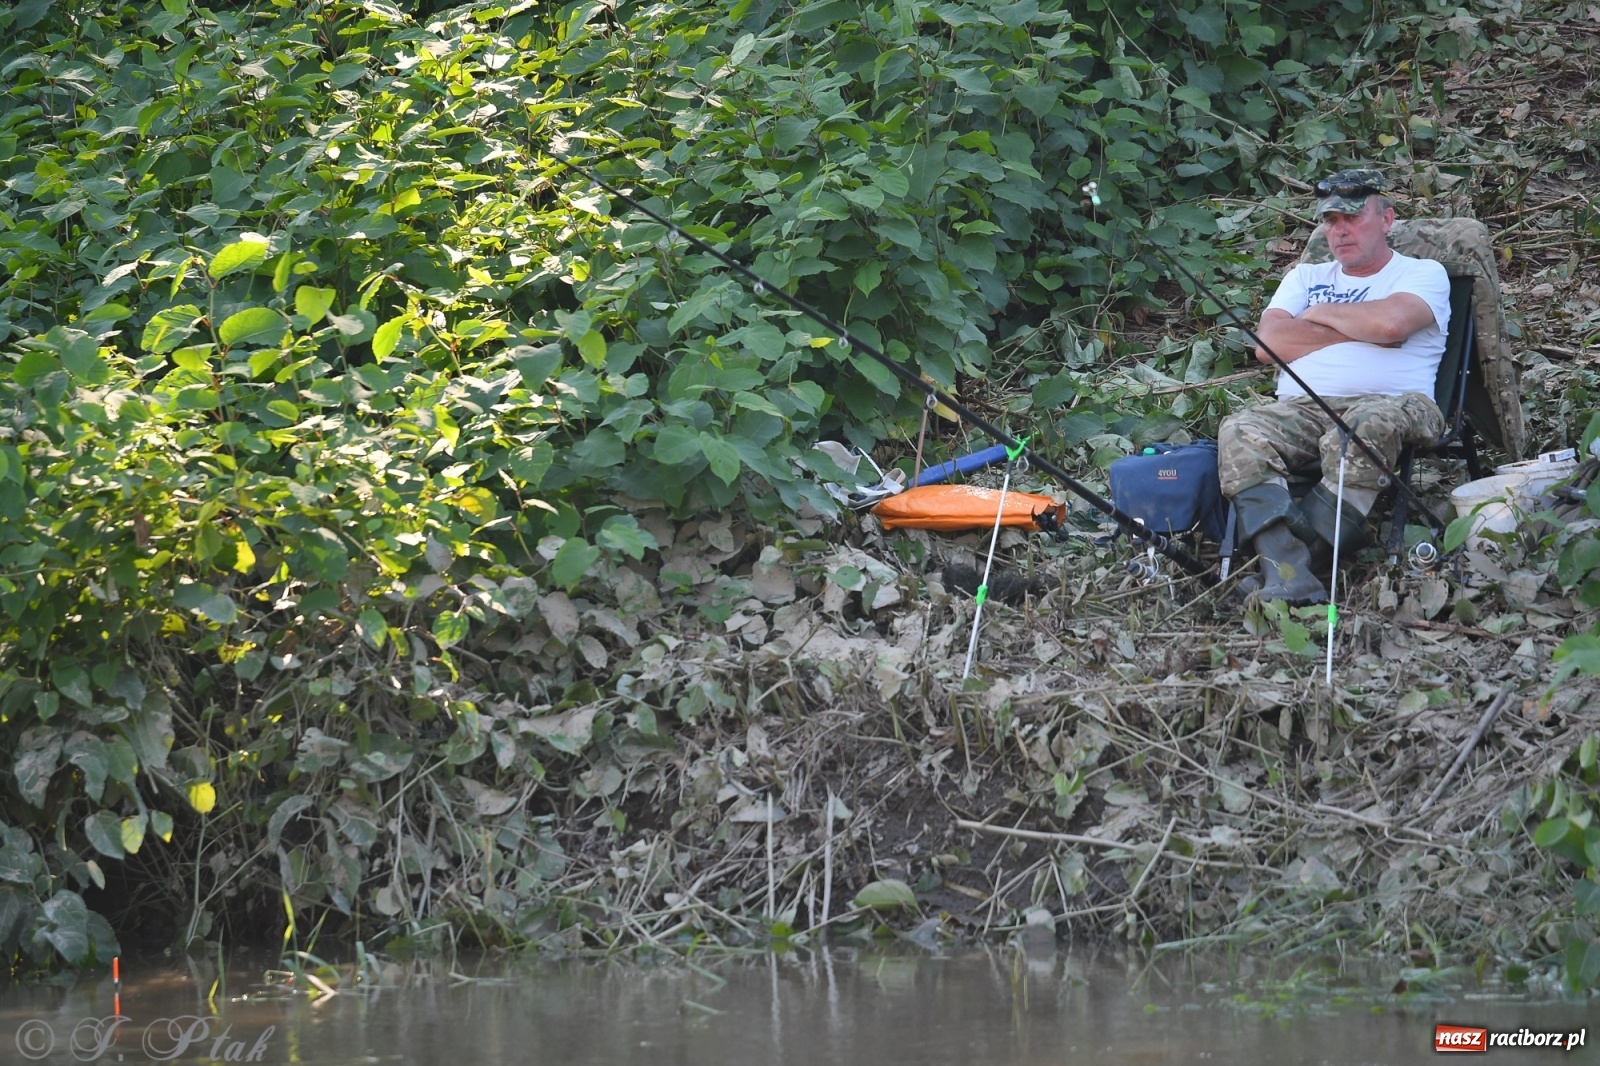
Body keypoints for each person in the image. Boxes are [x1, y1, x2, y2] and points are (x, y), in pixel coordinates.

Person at [1218, 169, 1452, 604]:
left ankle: (1293, 567)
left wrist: (1313, 317)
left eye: (1352, 218)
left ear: (1386, 220)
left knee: (1368, 425)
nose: (1339, 231)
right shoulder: (1306, 278)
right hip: (1303, 408)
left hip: (1395, 403)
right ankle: (1290, 574)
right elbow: (1268, 347)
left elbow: (1391, 323)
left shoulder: (1423, 272)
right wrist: (1354, 325)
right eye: (1330, 221)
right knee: (1239, 430)